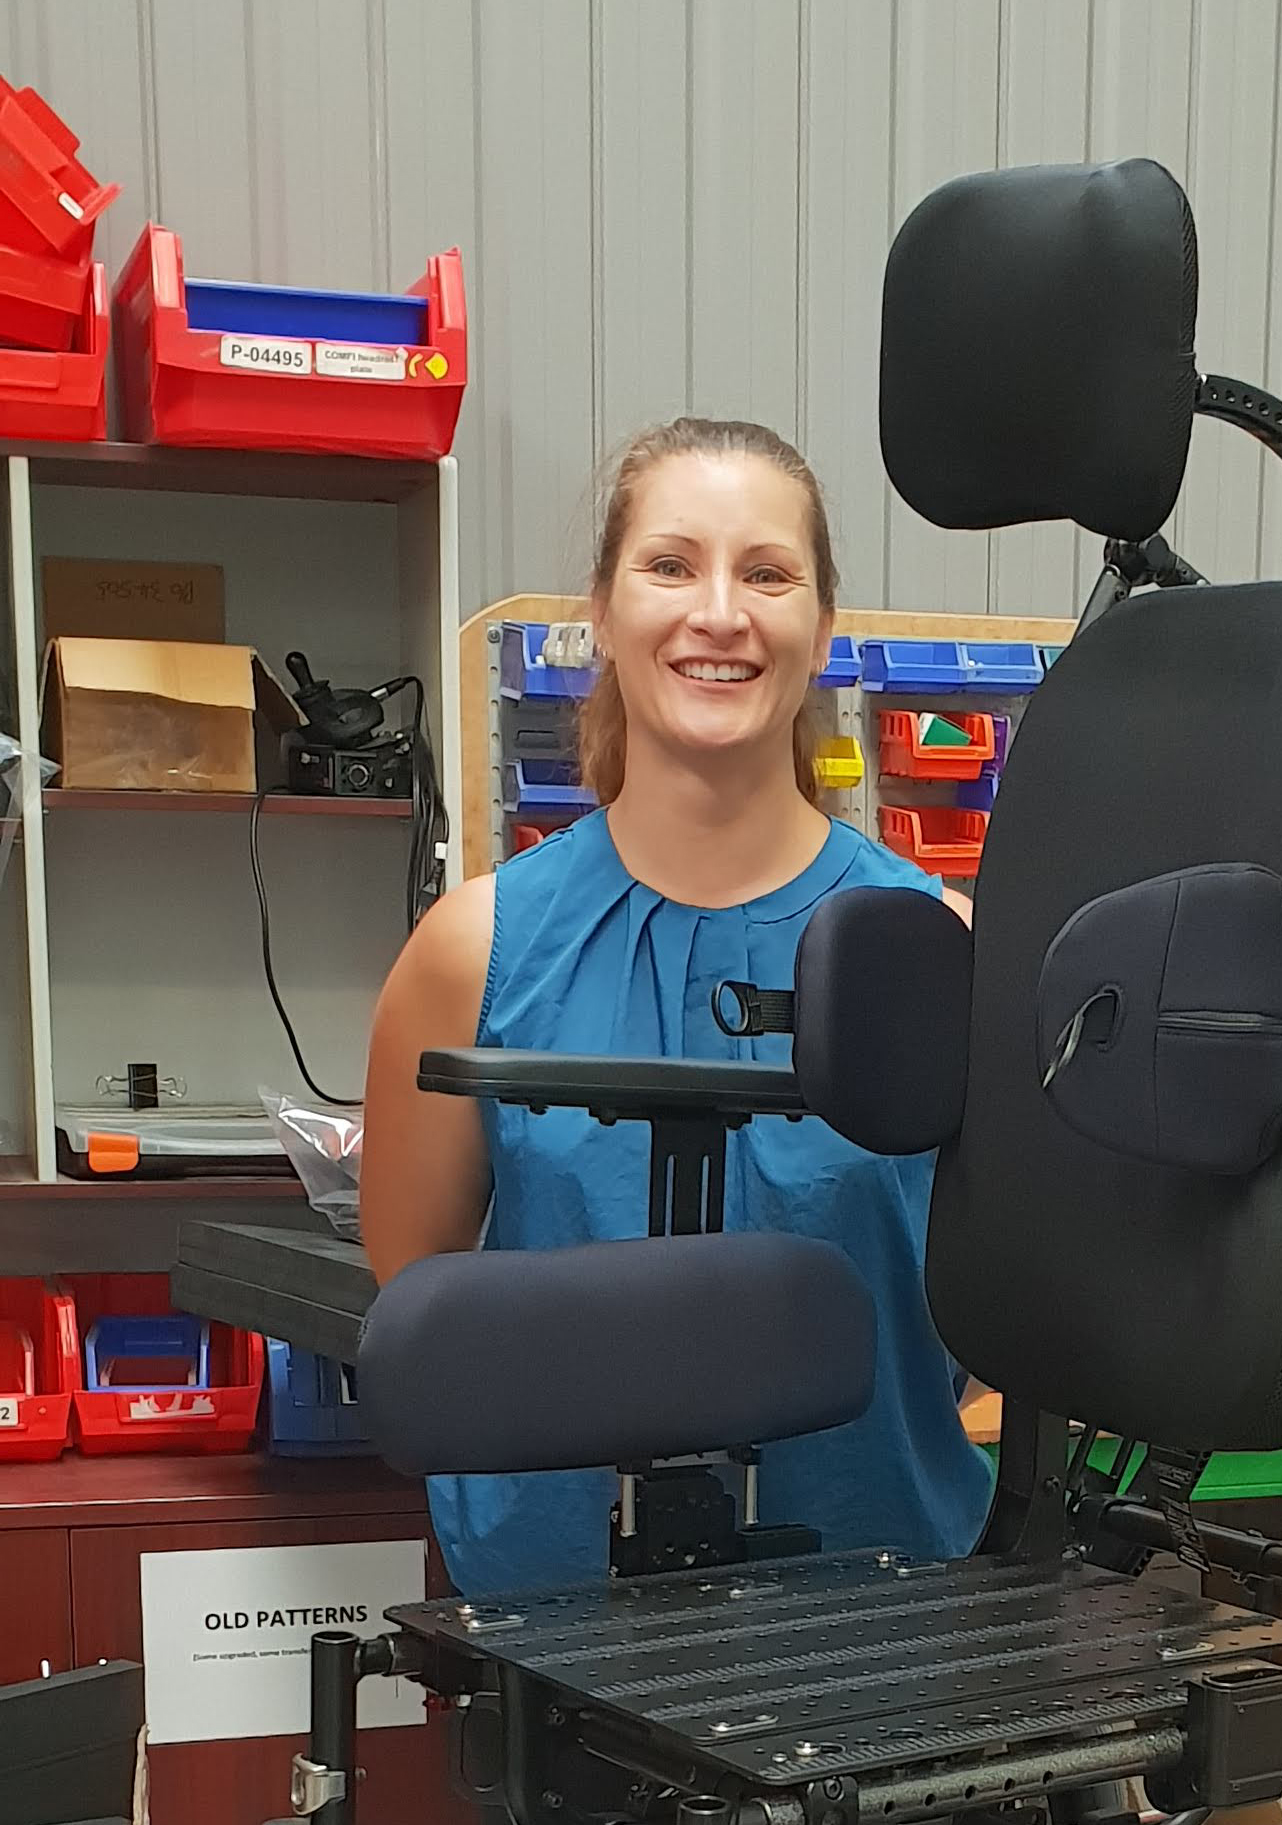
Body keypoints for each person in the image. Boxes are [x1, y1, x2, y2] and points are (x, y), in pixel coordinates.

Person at [361, 417, 995, 1608]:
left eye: (766, 574)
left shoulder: (939, 954)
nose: (719, 613)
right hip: (552, 1626)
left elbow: (985, 1315)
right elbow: (426, 1297)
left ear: (823, 628)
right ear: (603, 613)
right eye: (670, 565)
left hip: (876, 1612)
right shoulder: (471, 952)